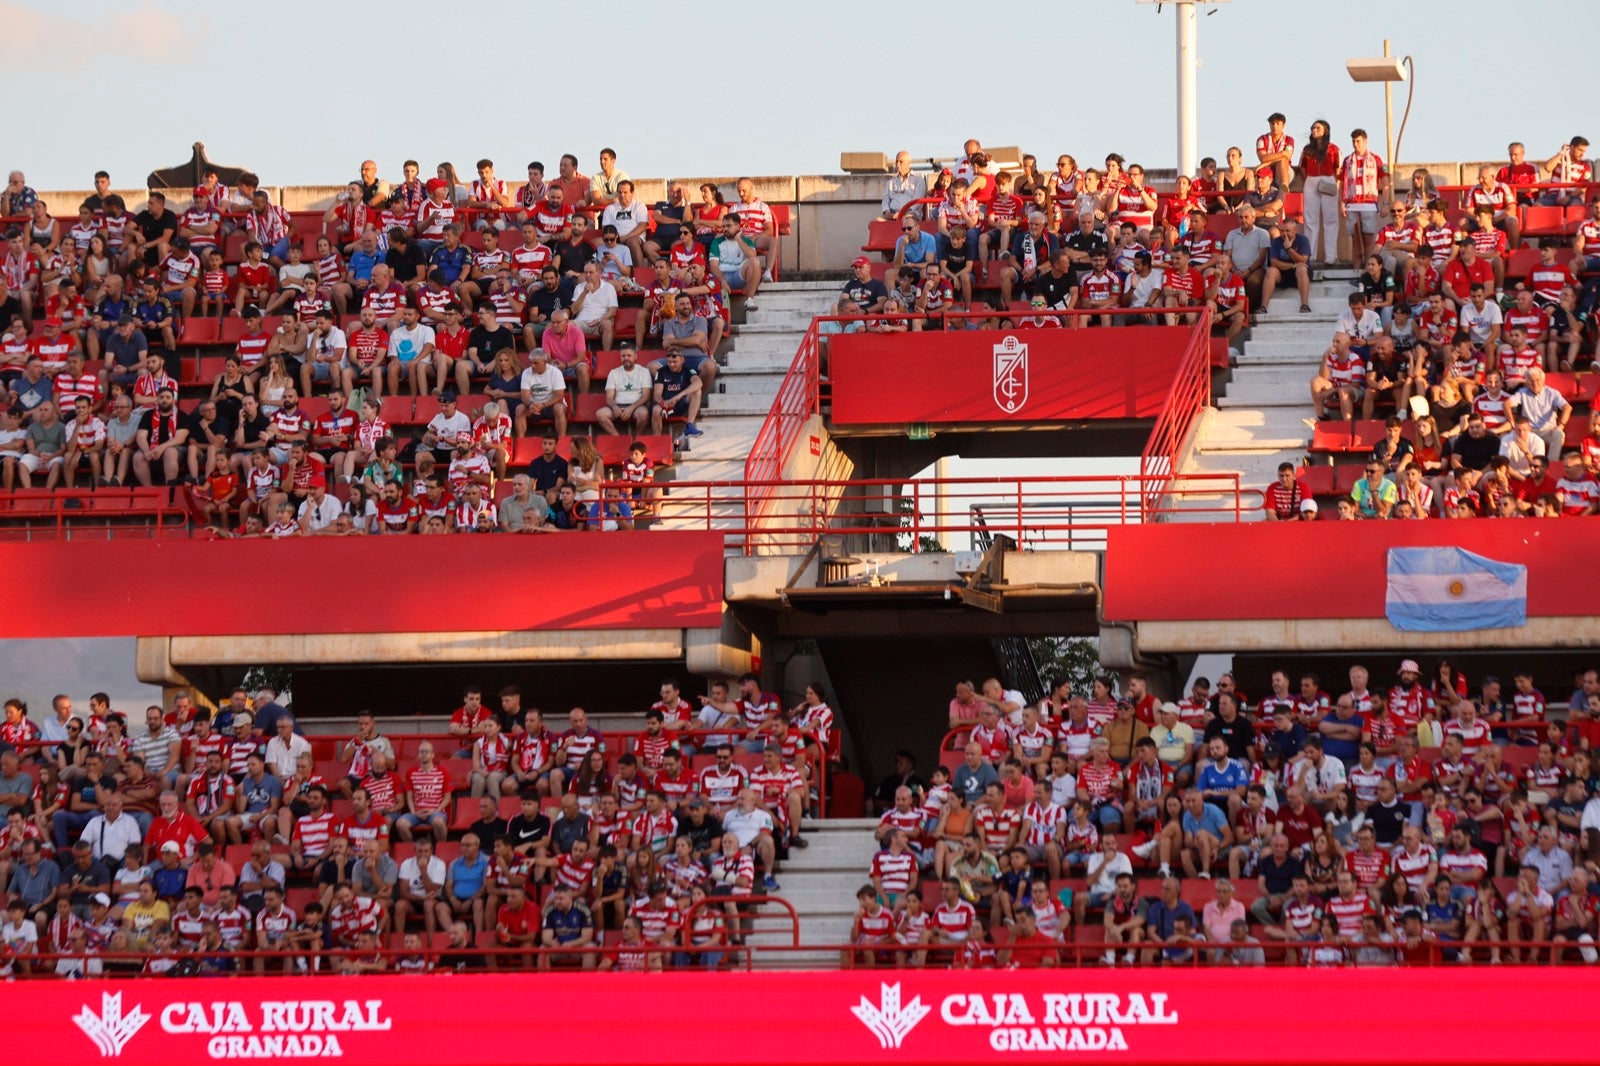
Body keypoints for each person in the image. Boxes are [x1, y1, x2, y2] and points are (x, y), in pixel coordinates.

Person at [1259, 217, 1311, 315]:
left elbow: (1303, 261)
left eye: (1288, 231)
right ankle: (1263, 307)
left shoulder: (1303, 240)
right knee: (1271, 270)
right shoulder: (1276, 241)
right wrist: (1292, 265)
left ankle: (1304, 305)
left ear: (1295, 230)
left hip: (1300, 274)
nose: (1284, 234)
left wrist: (1289, 249)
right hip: (1283, 273)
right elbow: (1274, 262)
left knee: (1301, 269)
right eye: (1282, 231)